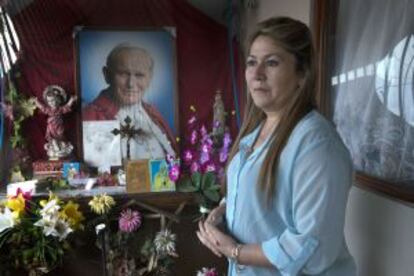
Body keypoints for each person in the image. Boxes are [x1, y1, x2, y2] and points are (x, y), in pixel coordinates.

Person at [197, 17, 356, 275]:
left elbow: (311, 246)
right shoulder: (255, 132)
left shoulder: (317, 144)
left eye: (271, 62)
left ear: (302, 74)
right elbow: (258, 199)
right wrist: (222, 213)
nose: (257, 74)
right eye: (252, 62)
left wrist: (235, 251)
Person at [82, 43, 177, 161]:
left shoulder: (152, 113)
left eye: (139, 75)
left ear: (150, 78)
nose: (131, 84)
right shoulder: (92, 115)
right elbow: (99, 173)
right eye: (123, 74)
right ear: (107, 75)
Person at [34, 85, 77, 160]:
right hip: (51, 126)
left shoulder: (60, 109)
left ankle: (60, 147)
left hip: (59, 125)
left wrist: (72, 100)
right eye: (49, 101)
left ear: (58, 100)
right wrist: (36, 102)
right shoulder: (49, 110)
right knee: (53, 139)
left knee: (60, 136)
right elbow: (42, 107)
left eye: (53, 100)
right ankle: (54, 146)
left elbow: (66, 107)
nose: (51, 103)